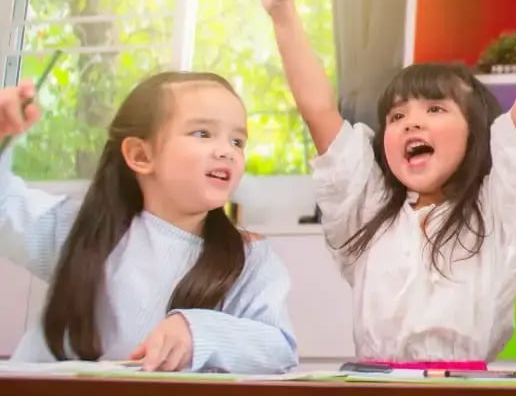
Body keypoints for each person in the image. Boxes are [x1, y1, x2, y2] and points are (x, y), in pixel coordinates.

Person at [247, 0, 516, 365]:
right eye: (396, 116)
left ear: (476, 136)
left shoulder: (498, 210)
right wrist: (283, 15)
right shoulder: (367, 210)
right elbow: (319, 110)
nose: (411, 123)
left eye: (435, 109)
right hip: (369, 384)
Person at [0, 72, 297, 373]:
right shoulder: (79, 227)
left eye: (237, 141)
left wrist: (199, 333)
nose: (227, 151)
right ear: (141, 155)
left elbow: (279, 348)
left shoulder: (249, 258)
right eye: (203, 134)